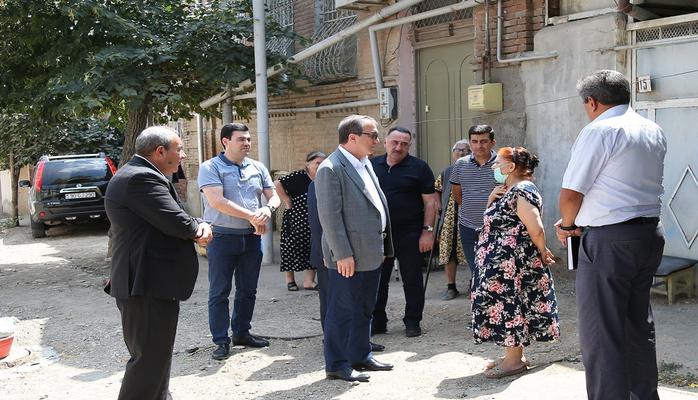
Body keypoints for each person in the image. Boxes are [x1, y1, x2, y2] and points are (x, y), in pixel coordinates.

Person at [556, 70, 666, 400]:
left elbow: (571, 193)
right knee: (637, 326)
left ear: (592, 102)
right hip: (648, 234)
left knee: (602, 334)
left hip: (610, 240)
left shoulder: (599, 130)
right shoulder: (652, 128)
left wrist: (567, 225)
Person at [105, 126, 213, 400]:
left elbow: (174, 214)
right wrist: (199, 228)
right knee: (148, 361)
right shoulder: (141, 177)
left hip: (150, 282)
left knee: (156, 358)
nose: (183, 155)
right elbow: (175, 220)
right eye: (179, 149)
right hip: (145, 283)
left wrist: (196, 223)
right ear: (160, 151)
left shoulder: (141, 173)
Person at [315, 114, 394, 382]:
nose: (377, 140)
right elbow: (330, 217)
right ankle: (337, 364)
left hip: (370, 251)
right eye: (373, 135)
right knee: (342, 311)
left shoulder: (364, 162)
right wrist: (342, 254)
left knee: (364, 307)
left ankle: (360, 354)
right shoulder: (331, 168)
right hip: (347, 256)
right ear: (352, 137)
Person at [471, 146, 559, 379]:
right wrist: (491, 200)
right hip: (502, 263)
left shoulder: (522, 190)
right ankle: (512, 355)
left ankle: (514, 361)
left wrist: (543, 250)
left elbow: (536, 227)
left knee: (510, 306)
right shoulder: (509, 190)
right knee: (505, 306)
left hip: (512, 265)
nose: (494, 167)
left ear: (510, 167)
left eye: (498, 163)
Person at [198, 122, 282, 360]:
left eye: (248, 139)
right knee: (219, 291)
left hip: (251, 238)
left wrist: (267, 209)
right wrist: (253, 216)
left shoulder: (257, 167)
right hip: (221, 237)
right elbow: (217, 202)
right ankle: (221, 341)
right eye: (241, 139)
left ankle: (242, 333)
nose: (247, 143)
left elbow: (274, 196)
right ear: (225, 141)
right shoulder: (210, 167)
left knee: (248, 289)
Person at [370, 126, 439, 338]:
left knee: (412, 279)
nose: (398, 147)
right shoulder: (370, 166)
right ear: (385, 142)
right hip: (379, 234)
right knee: (378, 280)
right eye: (395, 142)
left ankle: (412, 321)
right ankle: (378, 322)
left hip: (410, 233)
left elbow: (431, 202)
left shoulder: (419, 168)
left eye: (404, 144)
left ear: (409, 146)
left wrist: (427, 232)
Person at [307, 179, 386, 353]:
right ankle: (337, 348)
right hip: (334, 255)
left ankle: (359, 345)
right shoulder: (326, 177)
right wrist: (328, 253)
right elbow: (320, 222)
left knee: (360, 303)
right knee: (335, 304)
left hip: (361, 254)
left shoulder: (365, 172)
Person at [450, 125, 498, 295]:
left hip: (496, 228)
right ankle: (481, 307)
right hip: (468, 227)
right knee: (475, 268)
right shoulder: (460, 164)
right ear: (470, 143)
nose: (479, 146)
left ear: (492, 142)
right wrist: (472, 208)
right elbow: (457, 194)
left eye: (484, 141)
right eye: (475, 141)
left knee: (494, 270)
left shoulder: (502, 164)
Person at [275, 151, 326, 291]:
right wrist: (286, 200)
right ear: (308, 164)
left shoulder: (324, 177)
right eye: (317, 162)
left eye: (323, 162)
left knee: (312, 249)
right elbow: (276, 183)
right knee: (290, 248)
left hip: (314, 220)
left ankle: (309, 281)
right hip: (295, 219)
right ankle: (290, 280)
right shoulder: (298, 176)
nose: (320, 165)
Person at [436, 139, 471, 300]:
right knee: (448, 252)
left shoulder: (474, 170)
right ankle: (451, 287)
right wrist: (438, 205)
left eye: (466, 150)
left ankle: (474, 285)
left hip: (469, 217)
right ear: (453, 153)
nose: (461, 153)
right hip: (449, 218)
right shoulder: (447, 172)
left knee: (472, 251)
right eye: (458, 150)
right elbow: (436, 189)